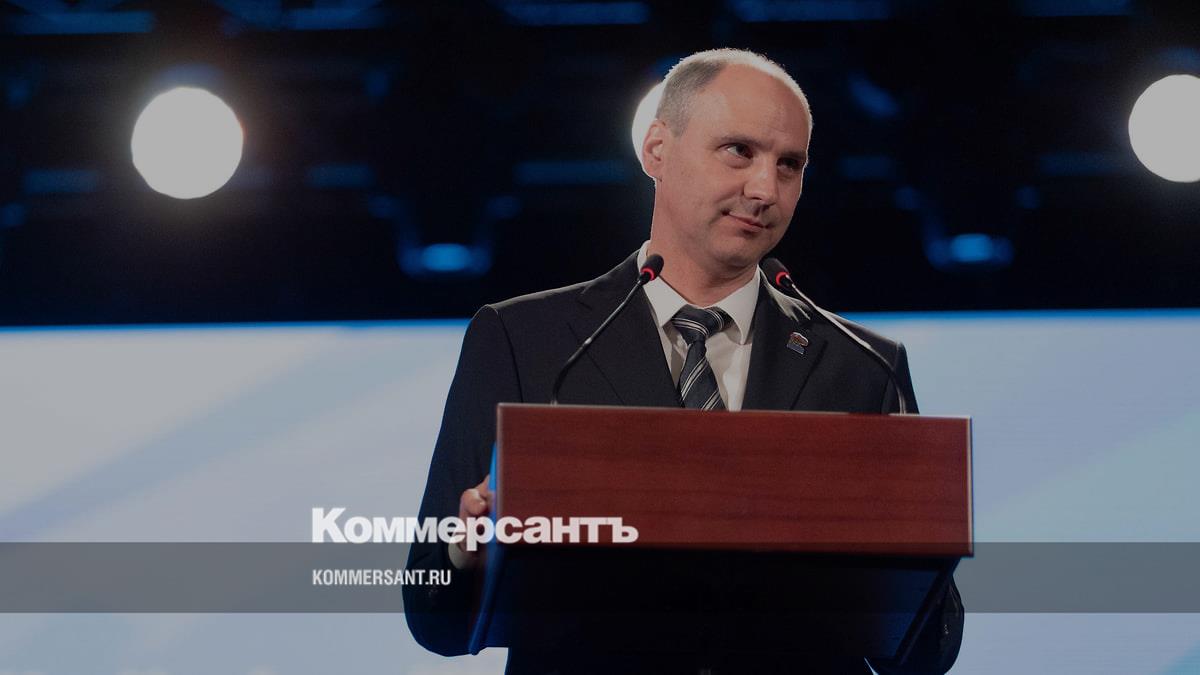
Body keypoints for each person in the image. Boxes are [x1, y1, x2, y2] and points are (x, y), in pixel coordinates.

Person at [404, 48, 963, 674]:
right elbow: (432, 616)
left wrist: (914, 545)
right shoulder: (524, 340)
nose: (765, 189)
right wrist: (466, 556)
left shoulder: (863, 365)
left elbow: (924, 654)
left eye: (789, 165)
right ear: (657, 151)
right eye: (739, 151)